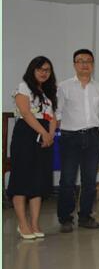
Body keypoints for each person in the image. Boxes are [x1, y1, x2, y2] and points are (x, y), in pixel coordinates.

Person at [56, 49, 99, 232]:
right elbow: (58, 111)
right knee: (68, 179)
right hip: (70, 137)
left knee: (89, 180)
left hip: (92, 136)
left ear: (93, 65)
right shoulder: (64, 86)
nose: (85, 64)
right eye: (80, 61)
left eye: (88, 61)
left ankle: (85, 216)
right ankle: (65, 218)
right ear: (74, 64)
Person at [8, 56, 57, 239]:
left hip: (44, 136)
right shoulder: (23, 87)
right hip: (26, 135)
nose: (44, 73)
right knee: (22, 179)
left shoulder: (48, 92)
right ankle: (23, 224)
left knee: (38, 180)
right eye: (40, 69)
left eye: (47, 70)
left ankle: (35, 223)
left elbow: (52, 117)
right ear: (32, 70)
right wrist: (43, 133)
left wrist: (50, 135)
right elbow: (26, 113)